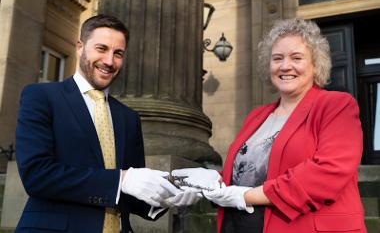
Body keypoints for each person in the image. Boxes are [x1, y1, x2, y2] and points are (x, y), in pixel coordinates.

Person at [173, 18, 367, 233]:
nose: (285, 66)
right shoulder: (257, 116)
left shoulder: (336, 105)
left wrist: (247, 196)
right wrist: (208, 185)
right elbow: (243, 174)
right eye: (277, 58)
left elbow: (329, 171)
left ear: (315, 65)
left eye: (296, 57)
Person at [15, 14, 199, 233]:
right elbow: (37, 175)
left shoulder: (128, 117)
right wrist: (121, 179)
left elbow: (131, 192)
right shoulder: (41, 97)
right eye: (101, 49)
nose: (110, 61)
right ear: (80, 47)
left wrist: (165, 196)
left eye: (118, 53)